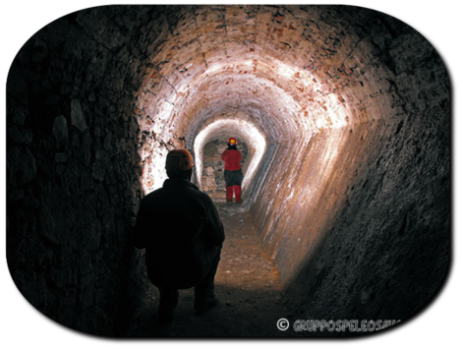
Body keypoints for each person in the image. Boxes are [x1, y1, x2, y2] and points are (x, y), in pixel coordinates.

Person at [132, 149, 225, 323]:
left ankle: (166, 304)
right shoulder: (201, 200)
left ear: (167, 171)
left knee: (164, 256)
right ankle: (204, 298)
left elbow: (138, 241)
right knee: (216, 243)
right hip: (191, 272)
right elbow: (217, 237)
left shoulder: (150, 200)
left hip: (158, 273)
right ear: (190, 172)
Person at [221, 137, 243, 203]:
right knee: (237, 186)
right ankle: (238, 200)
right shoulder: (238, 152)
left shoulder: (226, 152)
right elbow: (240, 158)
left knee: (229, 186)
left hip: (228, 171)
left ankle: (229, 200)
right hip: (237, 171)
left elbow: (223, 158)